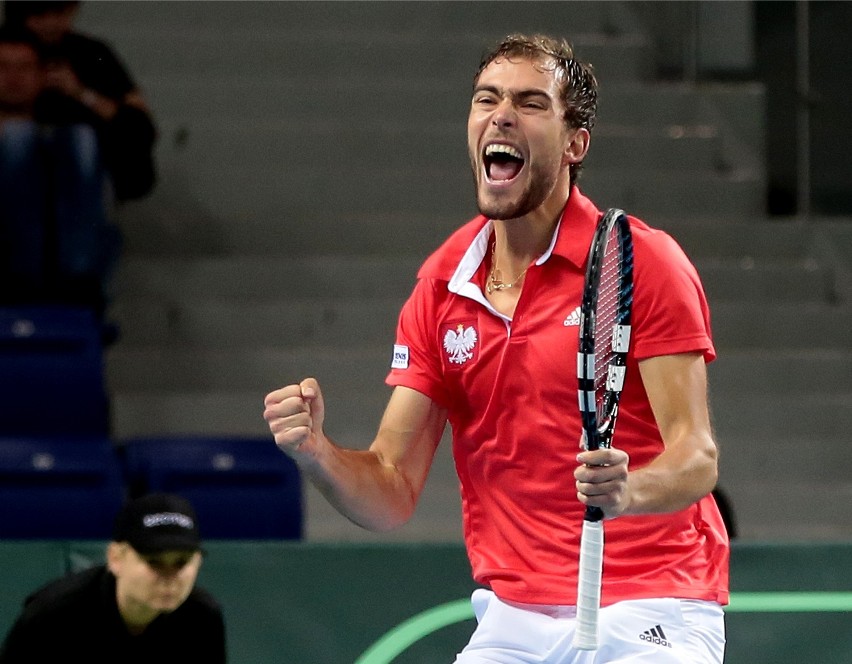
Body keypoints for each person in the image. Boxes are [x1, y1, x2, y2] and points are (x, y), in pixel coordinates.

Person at [263, 33, 728, 663]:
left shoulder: (636, 261)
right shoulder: (441, 286)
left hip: (653, 601)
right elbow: (393, 489)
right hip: (514, 617)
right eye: (487, 99)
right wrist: (318, 454)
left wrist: (630, 493)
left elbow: (696, 457)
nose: (501, 114)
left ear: (575, 144)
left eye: (531, 103)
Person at [0, 492, 227, 663]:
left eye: (181, 562)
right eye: (154, 562)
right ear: (116, 558)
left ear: (197, 562)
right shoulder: (52, 617)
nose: (169, 578)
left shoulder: (202, 618)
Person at [0, 21, 118, 320]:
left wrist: (81, 94)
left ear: (43, 76)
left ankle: (77, 278)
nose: (13, 78)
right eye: (2, 67)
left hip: (64, 265)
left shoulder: (63, 143)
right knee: (17, 137)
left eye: (24, 68)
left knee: (83, 138)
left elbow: (136, 139)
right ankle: (21, 278)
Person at [4, 0, 157, 201]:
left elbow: (141, 129)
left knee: (81, 140)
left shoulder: (92, 54)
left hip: (87, 184)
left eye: (59, 13)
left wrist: (81, 93)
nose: (50, 24)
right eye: (39, 15)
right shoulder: (6, 50)